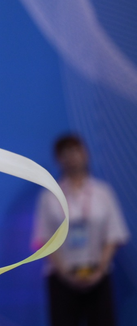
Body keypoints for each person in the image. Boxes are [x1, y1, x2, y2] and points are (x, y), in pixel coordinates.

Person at [33, 134, 129, 326]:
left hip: (98, 274)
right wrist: (65, 274)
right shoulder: (49, 196)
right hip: (61, 277)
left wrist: (100, 270)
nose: (72, 156)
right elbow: (42, 238)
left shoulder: (103, 192)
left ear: (86, 153)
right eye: (65, 152)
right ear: (58, 158)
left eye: (76, 150)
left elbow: (115, 234)